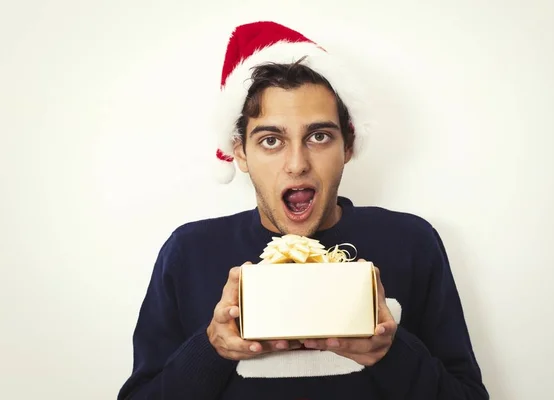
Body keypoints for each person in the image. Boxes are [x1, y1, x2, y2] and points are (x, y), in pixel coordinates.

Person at [117, 21, 489, 400]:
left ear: (347, 146)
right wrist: (211, 348)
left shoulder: (410, 242)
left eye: (319, 136)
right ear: (240, 152)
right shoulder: (189, 252)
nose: (297, 164)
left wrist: (391, 352)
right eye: (271, 140)